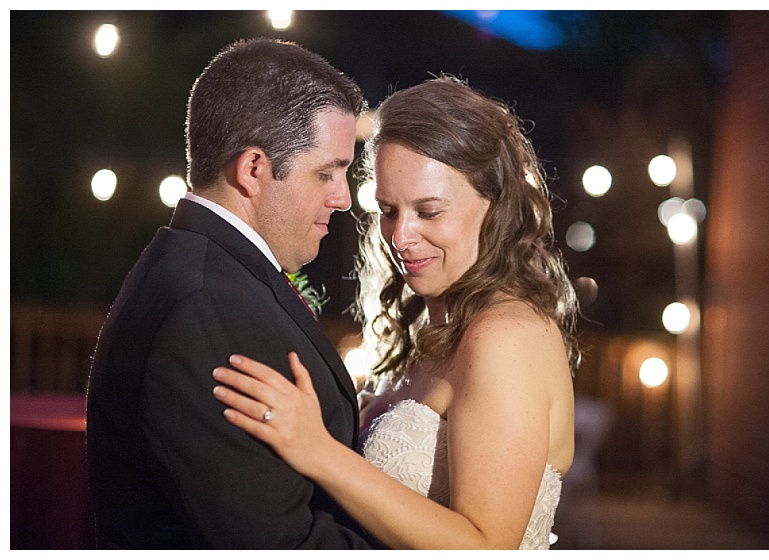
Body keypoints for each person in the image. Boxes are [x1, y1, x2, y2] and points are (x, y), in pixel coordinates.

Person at [211, 76, 579, 549]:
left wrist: (319, 451)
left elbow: (487, 548)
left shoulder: (506, 335)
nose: (400, 237)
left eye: (428, 212)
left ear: (495, 205)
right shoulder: (431, 329)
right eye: (388, 210)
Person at [86, 38, 374, 548]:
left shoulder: (204, 270)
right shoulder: (209, 307)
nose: (343, 196)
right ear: (254, 169)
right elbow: (275, 544)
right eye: (326, 172)